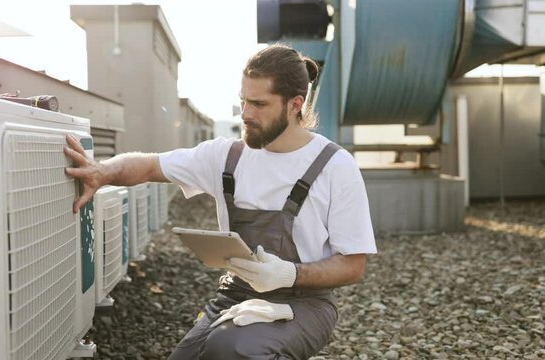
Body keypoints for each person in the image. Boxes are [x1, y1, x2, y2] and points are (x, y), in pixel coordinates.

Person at [64, 43, 377, 360]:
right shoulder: (226, 157)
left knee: (231, 349)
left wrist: (290, 274)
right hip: (236, 293)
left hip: (305, 302)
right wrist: (101, 172)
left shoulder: (335, 166)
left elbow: (353, 265)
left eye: (258, 104)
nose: (245, 114)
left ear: (295, 104)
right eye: (242, 101)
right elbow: (149, 165)